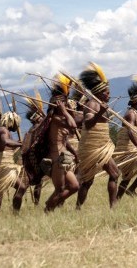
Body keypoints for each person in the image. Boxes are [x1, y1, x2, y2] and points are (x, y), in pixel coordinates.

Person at [76, 62, 120, 209]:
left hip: (101, 146)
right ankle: (80, 207)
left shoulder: (98, 104)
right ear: (99, 92)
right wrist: (101, 112)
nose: (109, 95)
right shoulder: (92, 104)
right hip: (94, 148)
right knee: (90, 180)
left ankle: (112, 207)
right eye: (107, 92)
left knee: (111, 175)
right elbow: (88, 123)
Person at [44, 73, 79, 211]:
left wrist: (74, 153)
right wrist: (65, 111)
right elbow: (73, 125)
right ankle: (49, 208)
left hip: (63, 156)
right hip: (56, 158)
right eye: (63, 103)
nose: (66, 105)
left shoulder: (60, 118)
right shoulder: (55, 119)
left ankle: (50, 206)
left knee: (74, 186)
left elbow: (65, 139)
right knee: (61, 189)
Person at [0, 110, 26, 216]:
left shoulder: (3, 130)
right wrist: (20, 144)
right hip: (0, 165)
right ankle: (13, 214)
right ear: (12, 122)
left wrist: (17, 145)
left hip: (1, 164)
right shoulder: (3, 130)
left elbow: (7, 145)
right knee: (18, 188)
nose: (18, 126)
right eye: (17, 123)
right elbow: (5, 141)